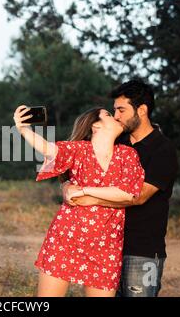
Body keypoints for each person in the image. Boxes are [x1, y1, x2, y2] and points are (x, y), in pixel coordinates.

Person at [13, 104, 145, 297]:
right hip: (65, 241)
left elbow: (127, 193)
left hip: (106, 247)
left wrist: (83, 190)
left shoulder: (127, 154)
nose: (115, 117)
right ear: (95, 126)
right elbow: (49, 149)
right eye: (108, 114)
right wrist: (23, 129)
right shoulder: (78, 150)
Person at [63, 80, 178, 297]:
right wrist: (68, 186)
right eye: (114, 109)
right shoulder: (117, 141)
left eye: (121, 109)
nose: (116, 116)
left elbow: (137, 196)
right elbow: (75, 161)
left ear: (142, 110)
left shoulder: (163, 150)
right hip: (105, 246)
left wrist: (90, 198)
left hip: (141, 250)